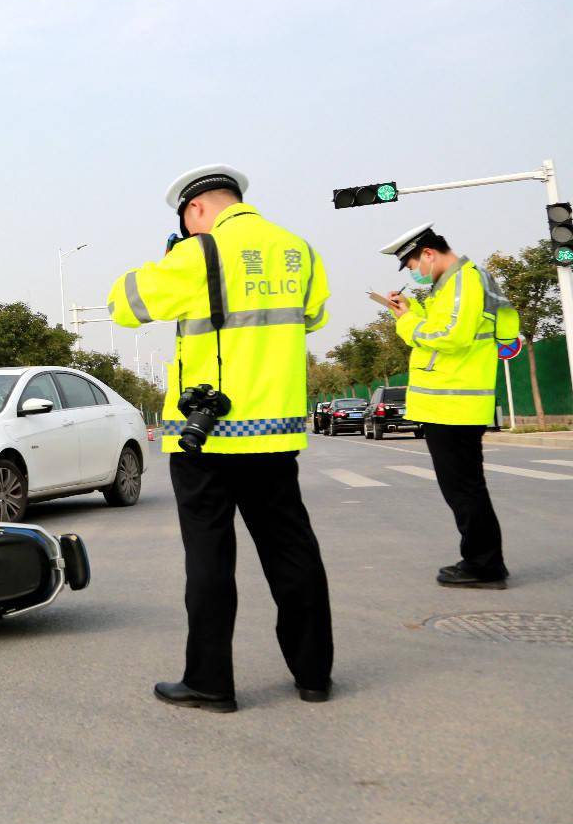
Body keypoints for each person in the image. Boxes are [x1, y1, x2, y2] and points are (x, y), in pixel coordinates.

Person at [108, 165, 334, 713]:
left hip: (206, 437)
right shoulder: (299, 250)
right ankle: (313, 677)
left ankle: (210, 683)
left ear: (195, 211)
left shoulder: (197, 253)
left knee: (209, 560)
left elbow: (124, 305)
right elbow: (316, 319)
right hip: (276, 435)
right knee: (292, 551)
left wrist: (173, 257)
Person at [381, 223, 513, 588]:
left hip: (455, 404)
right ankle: (484, 561)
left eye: (411, 265)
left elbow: (449, 338)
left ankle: (484, 565)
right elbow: (446, 331)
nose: (413, 273)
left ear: (428, 253)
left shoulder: (463, 282)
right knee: (465, 488)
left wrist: (406, 323)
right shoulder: (450, 286)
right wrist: (408, 312)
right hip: (450, 404)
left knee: (465, 489)